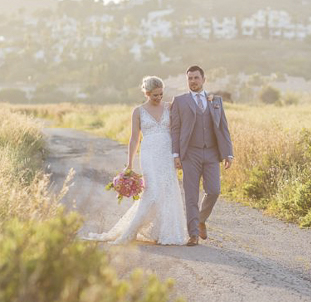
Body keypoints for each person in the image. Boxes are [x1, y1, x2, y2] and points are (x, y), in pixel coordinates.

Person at [87, 76, 187, 245]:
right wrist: (130, 163)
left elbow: (188, 110)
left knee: (168, 190)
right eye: (155, 95)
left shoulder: (170, 107)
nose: (159, 98)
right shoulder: (138, 111)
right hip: (148, 154)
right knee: (152, 192)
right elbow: (134, 139)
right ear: (147, 93)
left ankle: (163, 232)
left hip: (166, 154)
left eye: (161, 94)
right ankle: (132, 230)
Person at [170, 65, 234, 246]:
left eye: (196, 78)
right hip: (190, 153)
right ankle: (193, 235)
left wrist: (228, 153)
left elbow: (223, 128)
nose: (193, 81)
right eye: (190, 78)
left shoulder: (216, 101)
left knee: (214, 190)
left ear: (204, 79)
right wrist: (176, 154)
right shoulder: (180, 101)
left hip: (212, 153)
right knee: (191, 195)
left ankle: (200, 219)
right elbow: (175, 130)